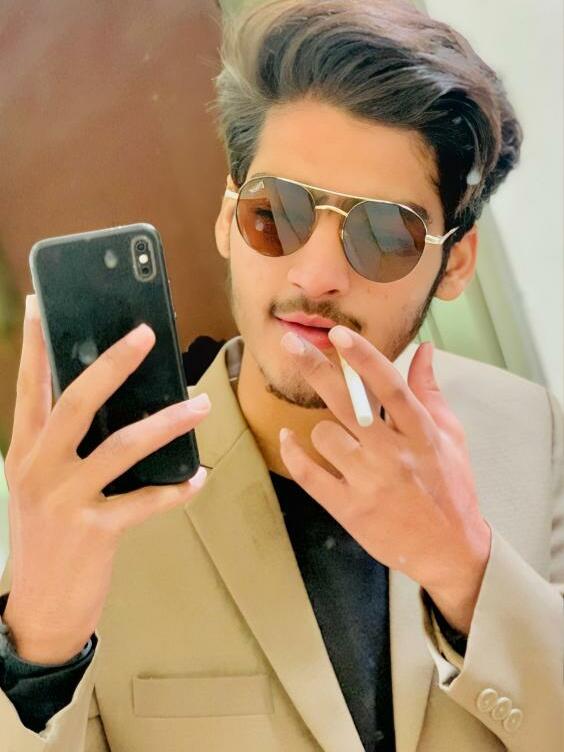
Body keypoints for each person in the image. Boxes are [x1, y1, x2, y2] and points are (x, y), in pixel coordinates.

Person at [1, 1, 562, 750]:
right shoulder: (100, 506)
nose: (316, 272)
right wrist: (39, 643)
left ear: (456, 262)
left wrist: (466, 570)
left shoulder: (533, 434)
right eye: (276, 213)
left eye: (384, 233)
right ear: (227, 220)